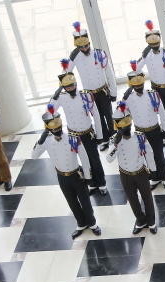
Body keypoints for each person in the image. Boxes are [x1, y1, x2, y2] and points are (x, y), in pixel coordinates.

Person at [32, 108, 101, 238]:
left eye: (58, 128)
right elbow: (34, 156)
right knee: (72, 202)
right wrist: (39, 142)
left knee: (85, 200)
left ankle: (92, 223)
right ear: (48, 128)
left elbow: (84, 158)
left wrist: (88, 176)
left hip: (76, 174)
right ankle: (81, 223)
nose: (57, 131)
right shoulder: (46, 141)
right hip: (62, 176)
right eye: (54, 129)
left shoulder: (72, 138)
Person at [49, 63, 107, 195]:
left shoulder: (86, 95)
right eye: (68, 86)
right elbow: (50, 111)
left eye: (73, 85)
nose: (71, 88)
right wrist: (56, 94)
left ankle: (101, 183)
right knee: (83, 160)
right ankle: (91, 183)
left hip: (87, 133)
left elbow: (96, 116)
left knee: (94, 159)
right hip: (73, 135)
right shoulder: (62, 98)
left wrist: (99, 136)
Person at [108, 104, 157, 234]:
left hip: (140, 171)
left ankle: (151, 221)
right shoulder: (115, 140)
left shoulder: (140, 136)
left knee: (147, 197)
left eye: (128, 125)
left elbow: (149, 152)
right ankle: (140, 220)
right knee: (132, 199)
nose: (127, 128)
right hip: (125, 174)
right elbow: (109, 158)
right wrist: (115, 144)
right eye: (123, 126)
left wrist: (153, 169)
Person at [68, 21, 117, 150]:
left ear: (89, 43)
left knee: (108, 115)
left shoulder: (99, 53)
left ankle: (113, 137)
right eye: (81, 47)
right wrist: (70, 60)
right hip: (89, 93)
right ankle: (103, 139)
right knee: (97, 117)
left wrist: (113, 91)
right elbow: (66, 74)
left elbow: (109, 73)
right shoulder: (76, 57)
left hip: (103, 91)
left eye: (86, 46)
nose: (85, 49)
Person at [123, 63, 165, 190]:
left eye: (141, 85)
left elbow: (162, 111)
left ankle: (164, 177)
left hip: (154, 129)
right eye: (136, 86)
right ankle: (154, 177)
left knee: (159, 154)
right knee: (146, 155)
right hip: (140, 132)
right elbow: (120, 112)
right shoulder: (129, 97)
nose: (139, 88)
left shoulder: (152, 94)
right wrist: (123, 99)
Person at [136, 20, 165, 143]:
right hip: (155, 88)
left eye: (156, 43)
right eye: (152, 44)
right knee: (162, 112)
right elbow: (136, 68)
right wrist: (144, 54)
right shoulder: (147, 55)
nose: (155, 46)